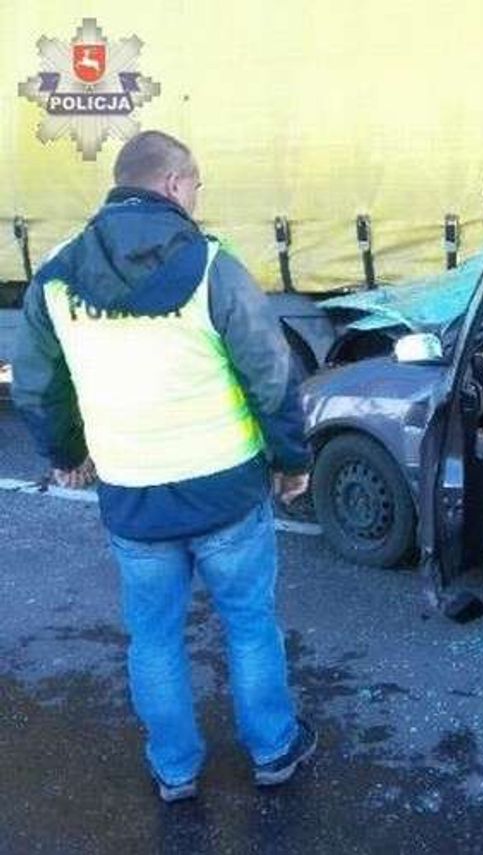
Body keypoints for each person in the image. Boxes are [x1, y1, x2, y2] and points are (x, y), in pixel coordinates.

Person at [12, 130, 316, 803]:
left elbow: (35, 384)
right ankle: (273, 749)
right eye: (196, 186)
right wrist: (292, 460)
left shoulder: (57, 273)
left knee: (152, 637)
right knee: (249, 624)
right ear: (175, 183)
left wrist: (67, 454)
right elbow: (271, 371)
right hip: (227, 492)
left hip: (133, 497)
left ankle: (175, 769)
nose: (197, 199)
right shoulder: (212, 267)